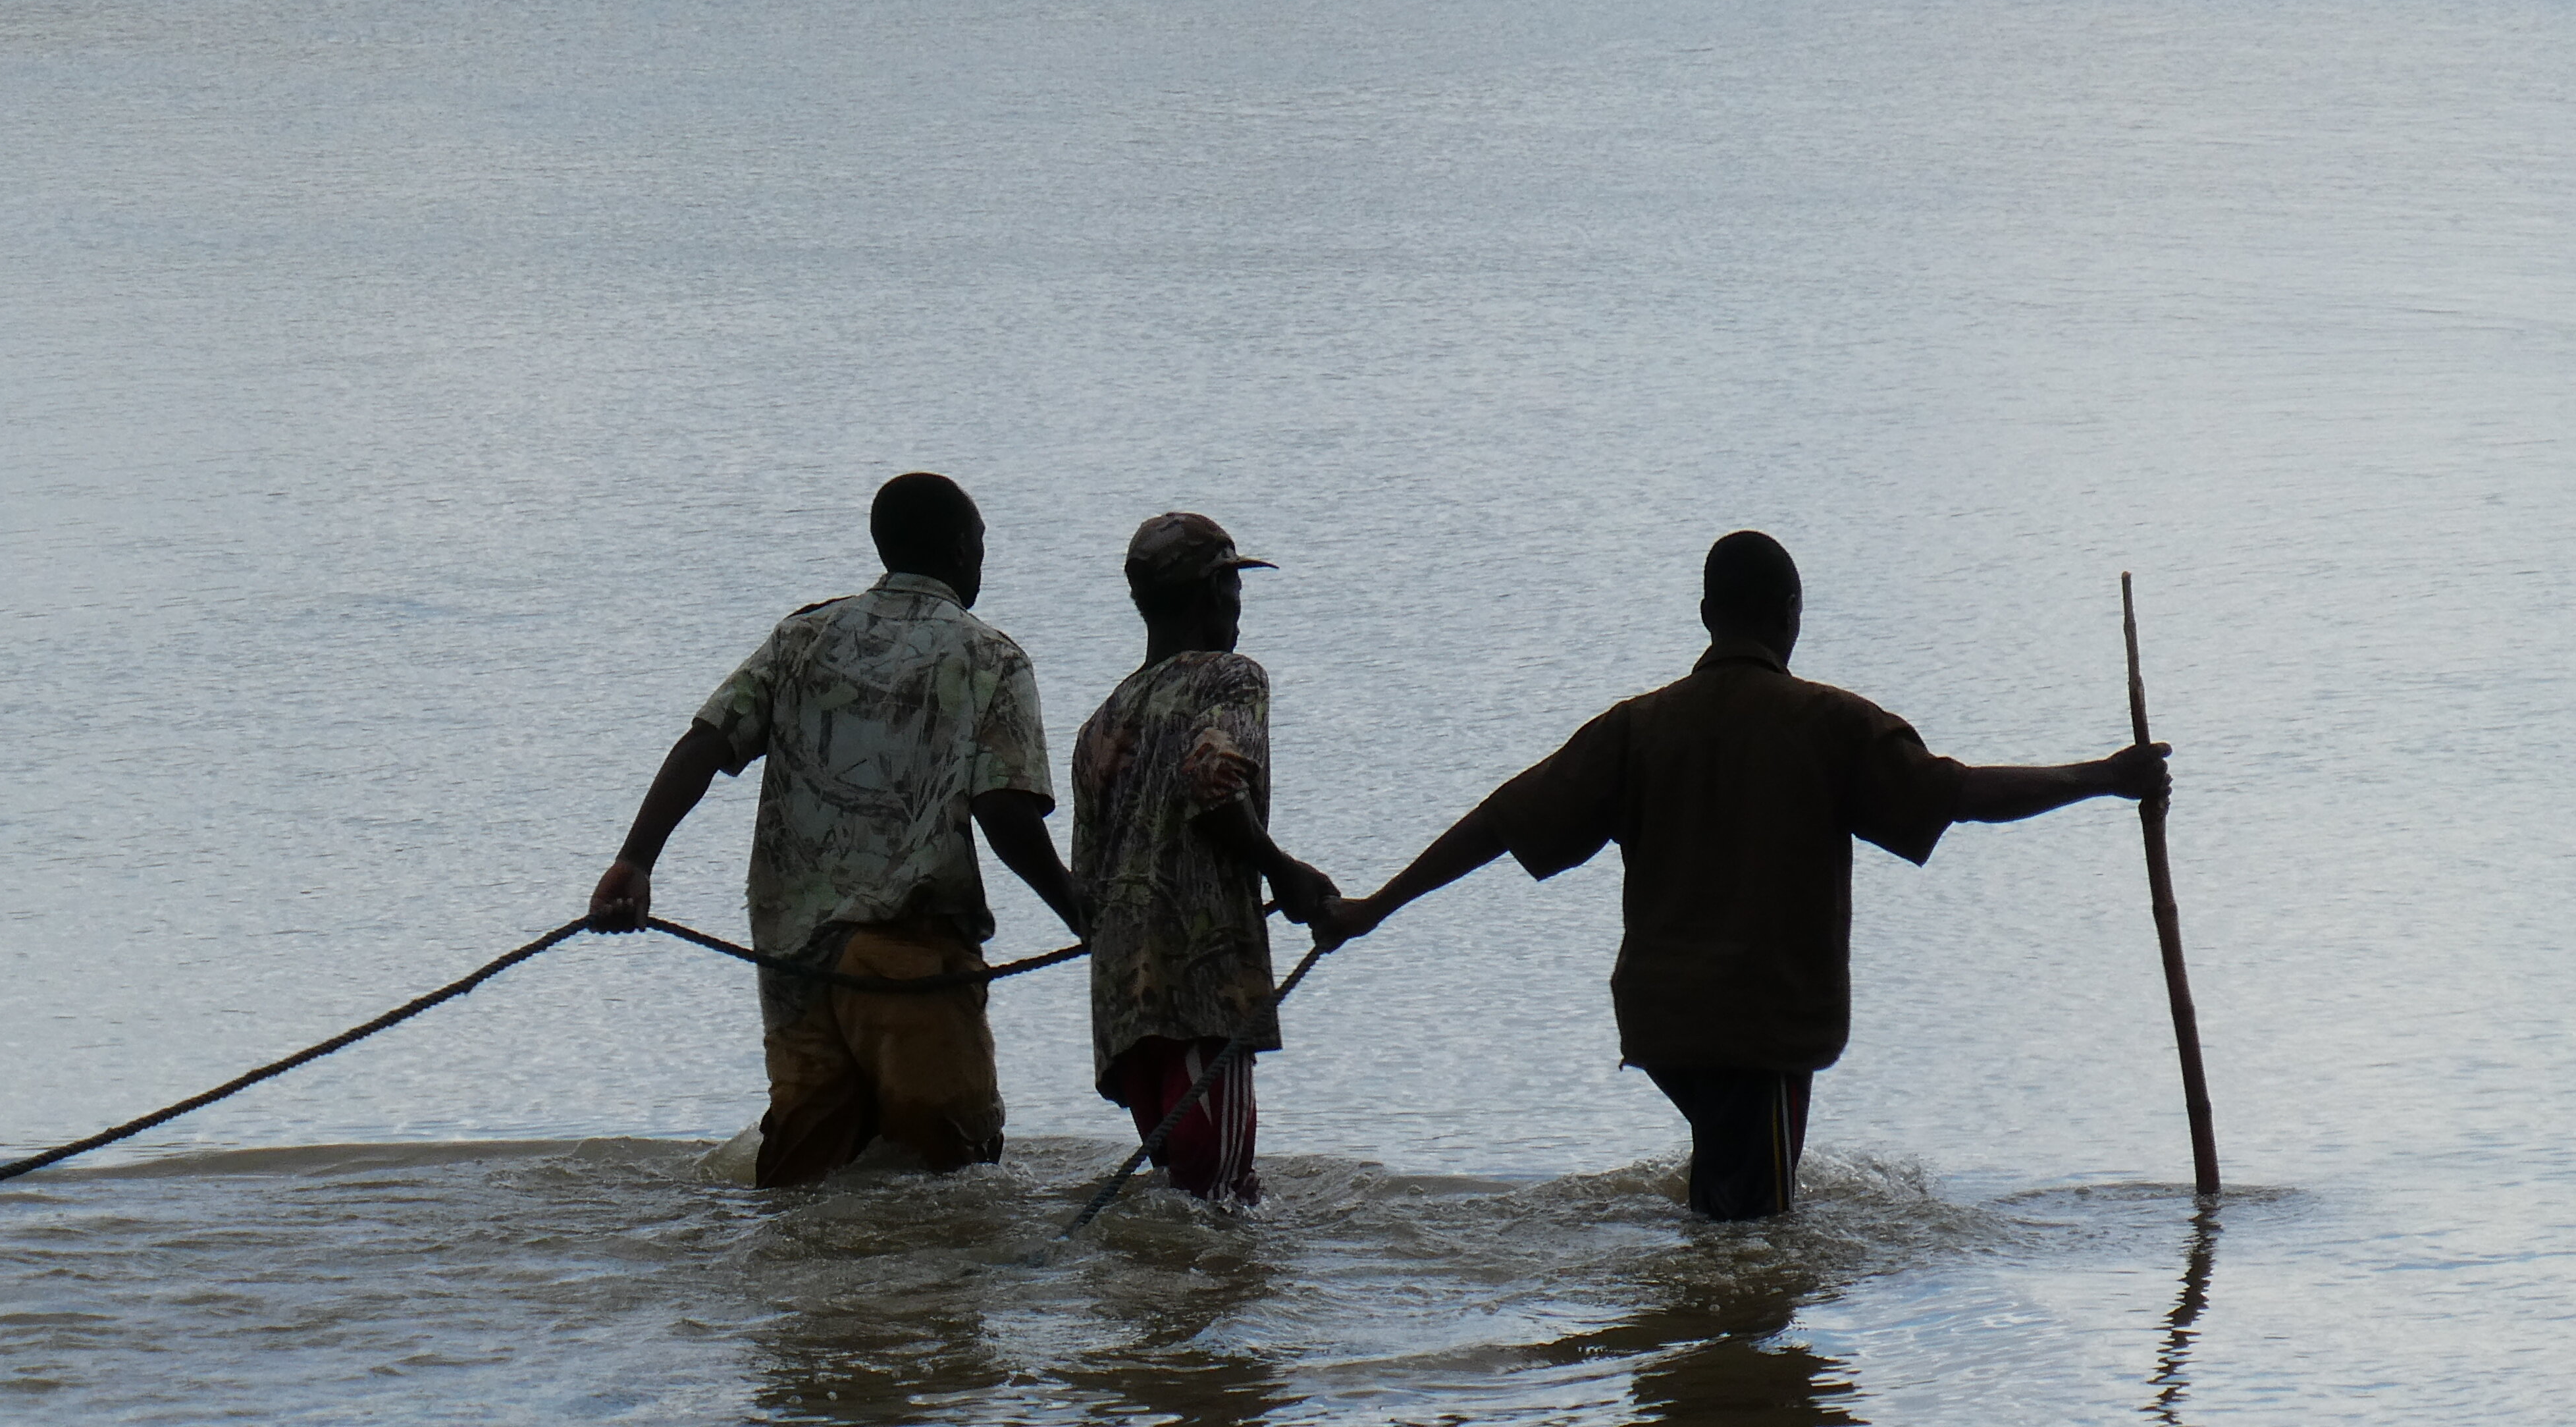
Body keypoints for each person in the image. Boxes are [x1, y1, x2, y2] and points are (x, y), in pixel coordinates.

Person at [1313, 530, 2170, 1218]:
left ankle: (1704, 1387)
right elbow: (1959, 794)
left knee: (1733, 1202)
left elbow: (1503, 820)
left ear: (1706, 616)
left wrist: (1376, 907)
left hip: (1663, 1024)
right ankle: (1723, 1392)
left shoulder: (1637, 729)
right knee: (1752, 1241)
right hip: (1756, 1024)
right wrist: (2102, 776)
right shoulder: (1832, 725)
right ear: (1792, 617)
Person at [587, 472, 1080, 1186]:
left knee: (806, 1173)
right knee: (950, 1175)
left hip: (795, 959)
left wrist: (634, 861)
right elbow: (1005, 811)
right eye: (980, 544)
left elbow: (705, 744)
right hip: (909, 952)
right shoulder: (990, 658)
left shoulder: (803, 638)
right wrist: (1078, 911)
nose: (983, 560)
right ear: (958, 550)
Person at [1069, 512, 1337, 1206]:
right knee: (1219, 1201)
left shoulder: (1101, 723)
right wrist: (1284, 871)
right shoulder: (1231, 679)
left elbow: (1086, 884)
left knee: (1174, 1195)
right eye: (1234, 586)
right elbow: (1211, 781)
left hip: (1125, 1005)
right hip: (1203, 988)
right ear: (1215, 591)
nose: (1239, 608)